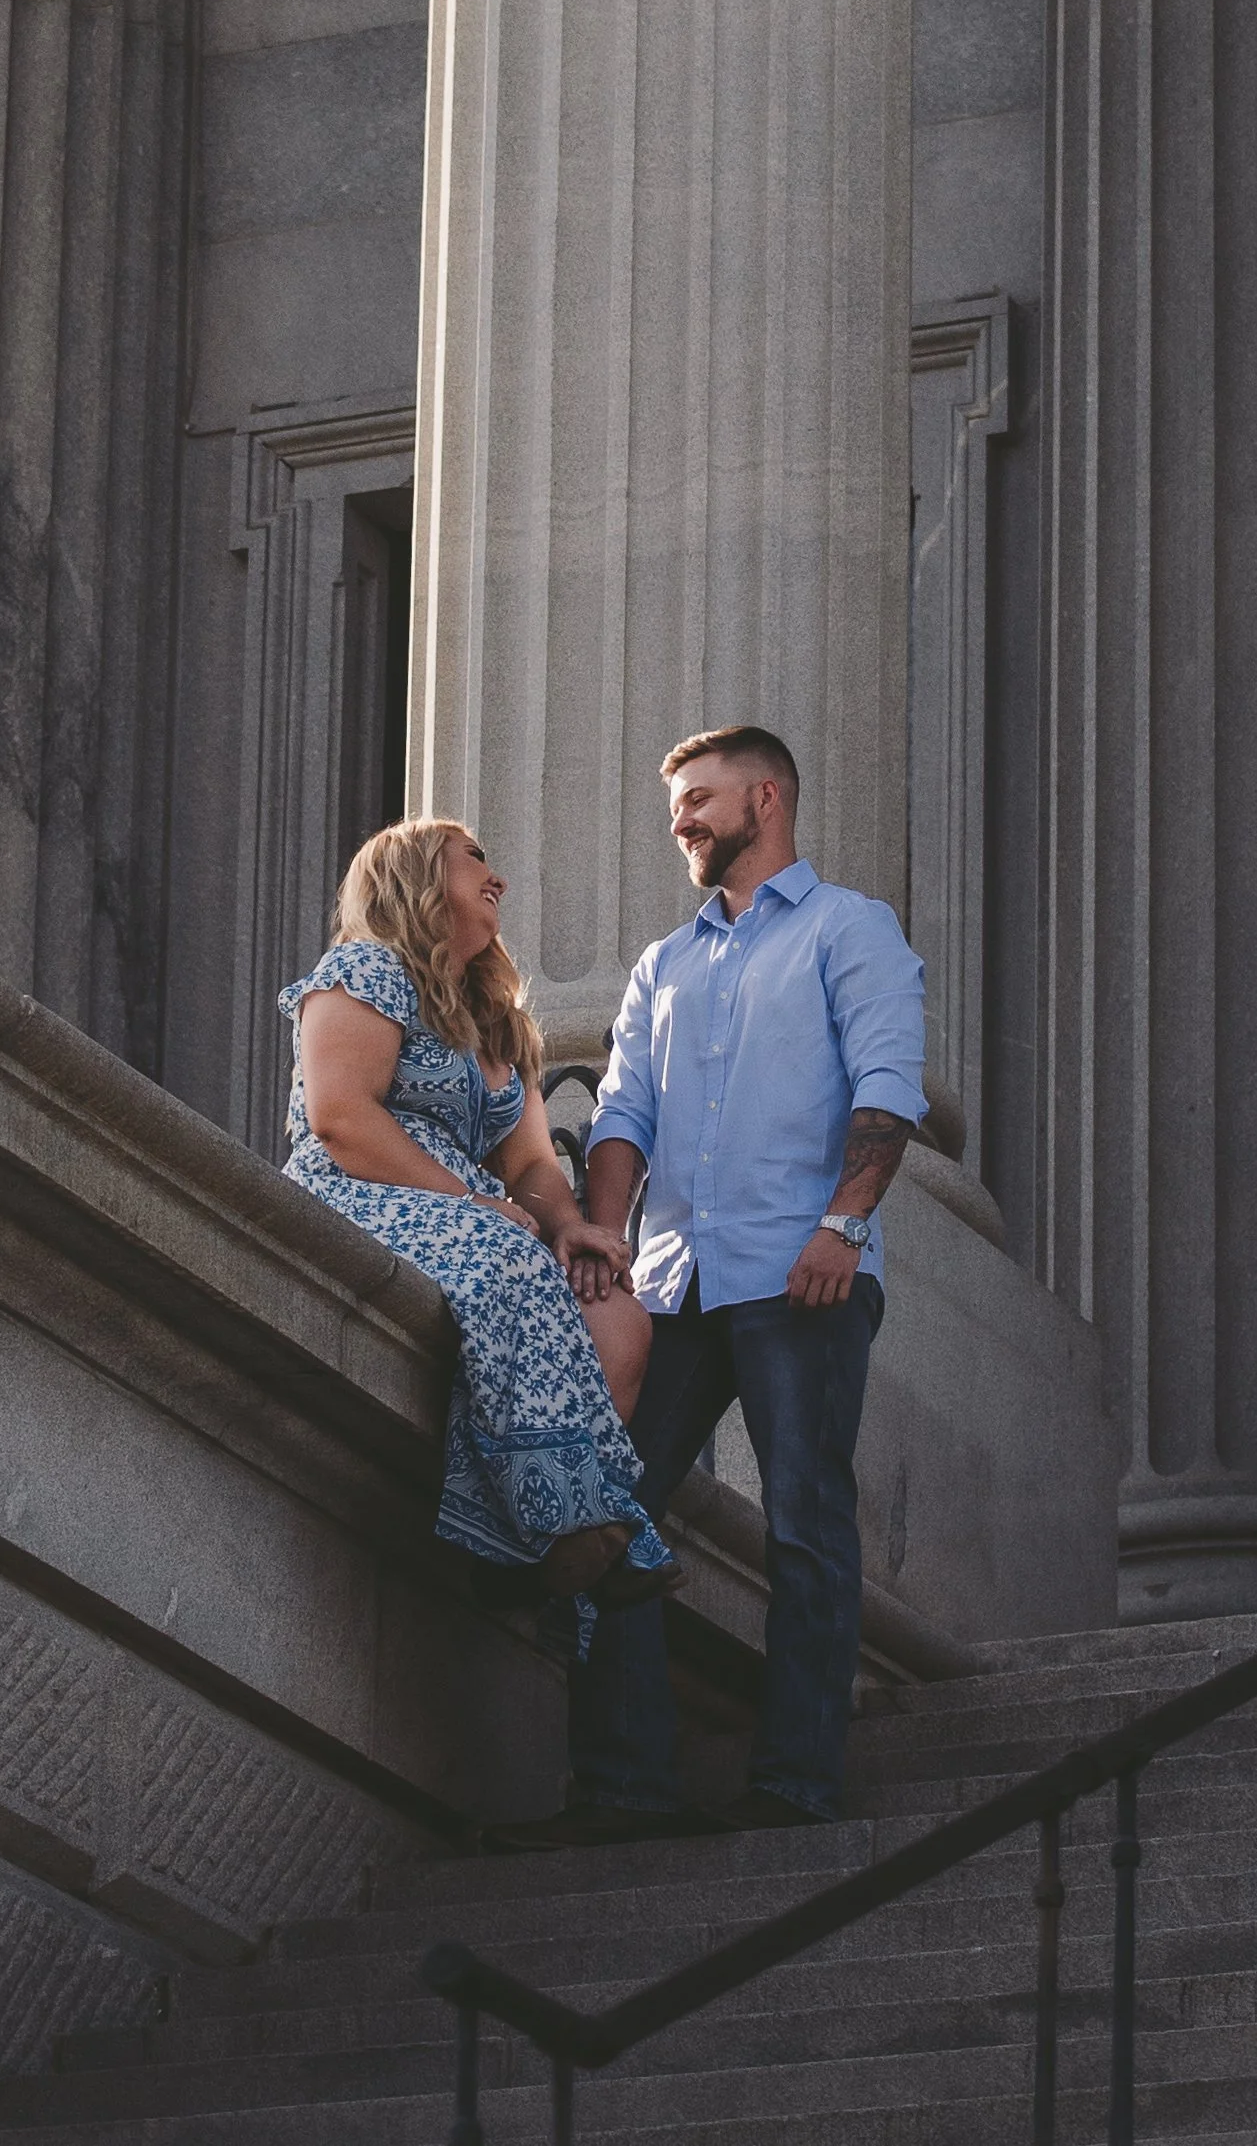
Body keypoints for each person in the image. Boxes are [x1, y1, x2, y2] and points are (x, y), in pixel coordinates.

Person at [487, 725, 927, 1847]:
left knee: (804, 1528)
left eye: (697, 799)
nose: (679, 820)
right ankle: (624, 1784)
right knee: (604, 1514)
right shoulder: (662, 964)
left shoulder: (847, 930)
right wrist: (602, 1230)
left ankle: (793, 1782)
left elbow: (885, 1090)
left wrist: (843, 1226)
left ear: (764, 797)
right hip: (678, 1287)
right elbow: (623, 1113)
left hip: (802, 1279)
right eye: (676, 803)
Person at [280, 817, 682, 1604]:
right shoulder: (365, 970)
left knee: (617, 1318)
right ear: (416, 878)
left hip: (471, 1211)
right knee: (504, 1255)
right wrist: (470, 1201)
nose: (495, 879)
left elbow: (530, 1160)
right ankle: (558, 1516)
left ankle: (559, 1522)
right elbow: (341, 1118)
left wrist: (572, 1228)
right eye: (474, 861)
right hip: (359, 1184)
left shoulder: (496, 1021)